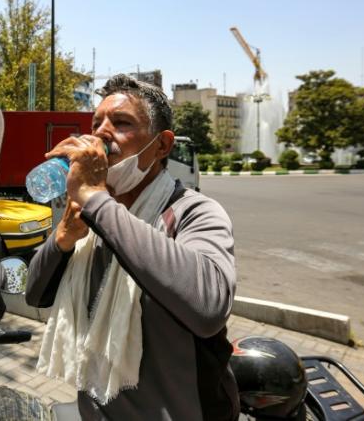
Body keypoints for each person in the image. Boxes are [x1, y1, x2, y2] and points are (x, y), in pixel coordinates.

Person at [25, 74, 239, 421]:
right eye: (97, 123)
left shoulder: (193, 211)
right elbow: (35, 294)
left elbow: (209, 307)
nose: (101, 134)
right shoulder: (91, 214)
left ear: (162, 145)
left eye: (122, 123)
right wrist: (64, 236)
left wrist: (96, 199)